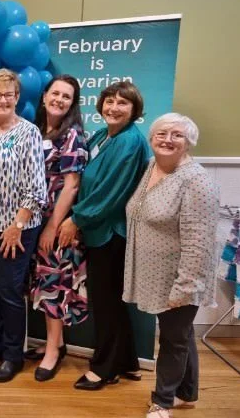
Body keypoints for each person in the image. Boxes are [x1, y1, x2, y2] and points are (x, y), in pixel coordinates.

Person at [123, 113, 219, 418]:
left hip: (180, 276)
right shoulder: (153, 167)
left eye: (177, 135)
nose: (167, 140)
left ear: (188, 141)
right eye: (162, 133)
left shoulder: (197, 181)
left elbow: (198, 242)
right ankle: (187, 391)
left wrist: (186, 286)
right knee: (181, 333)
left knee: (173, 339)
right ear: (151, 138)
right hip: (155, 273)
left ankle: (162, 402)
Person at [59, 81, 150, 390]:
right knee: (112, 301)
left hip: (111, 234)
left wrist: (76, 220)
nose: (114, 107)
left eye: (123, 103)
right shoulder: (103, 135)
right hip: (98, 231)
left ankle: (104, 369)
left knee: (107, 303)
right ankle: (127, 363)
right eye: (109, 101)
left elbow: (111, 193)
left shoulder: (129, 142)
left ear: (135, 109)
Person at [0, 68, 47, 383]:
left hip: (17, 227)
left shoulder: (29, 132)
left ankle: (15, 355)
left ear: (17, 97)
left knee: (9, 290)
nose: (3, 99)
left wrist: (17, 225)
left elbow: (36, 189)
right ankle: (0, 344)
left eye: (8, 94)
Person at [28, 74, 88, 382]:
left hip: (55, 223)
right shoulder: (35, 130)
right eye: (55, 93)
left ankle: (52, 351)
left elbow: (72, 185)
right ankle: (57, 344)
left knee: (54, 286)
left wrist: (52, 227)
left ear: (72, 103)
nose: (59, 99)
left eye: (67, 96)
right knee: (40, 282)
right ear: (44, 96)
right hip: (34, 221)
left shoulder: (72, 136)